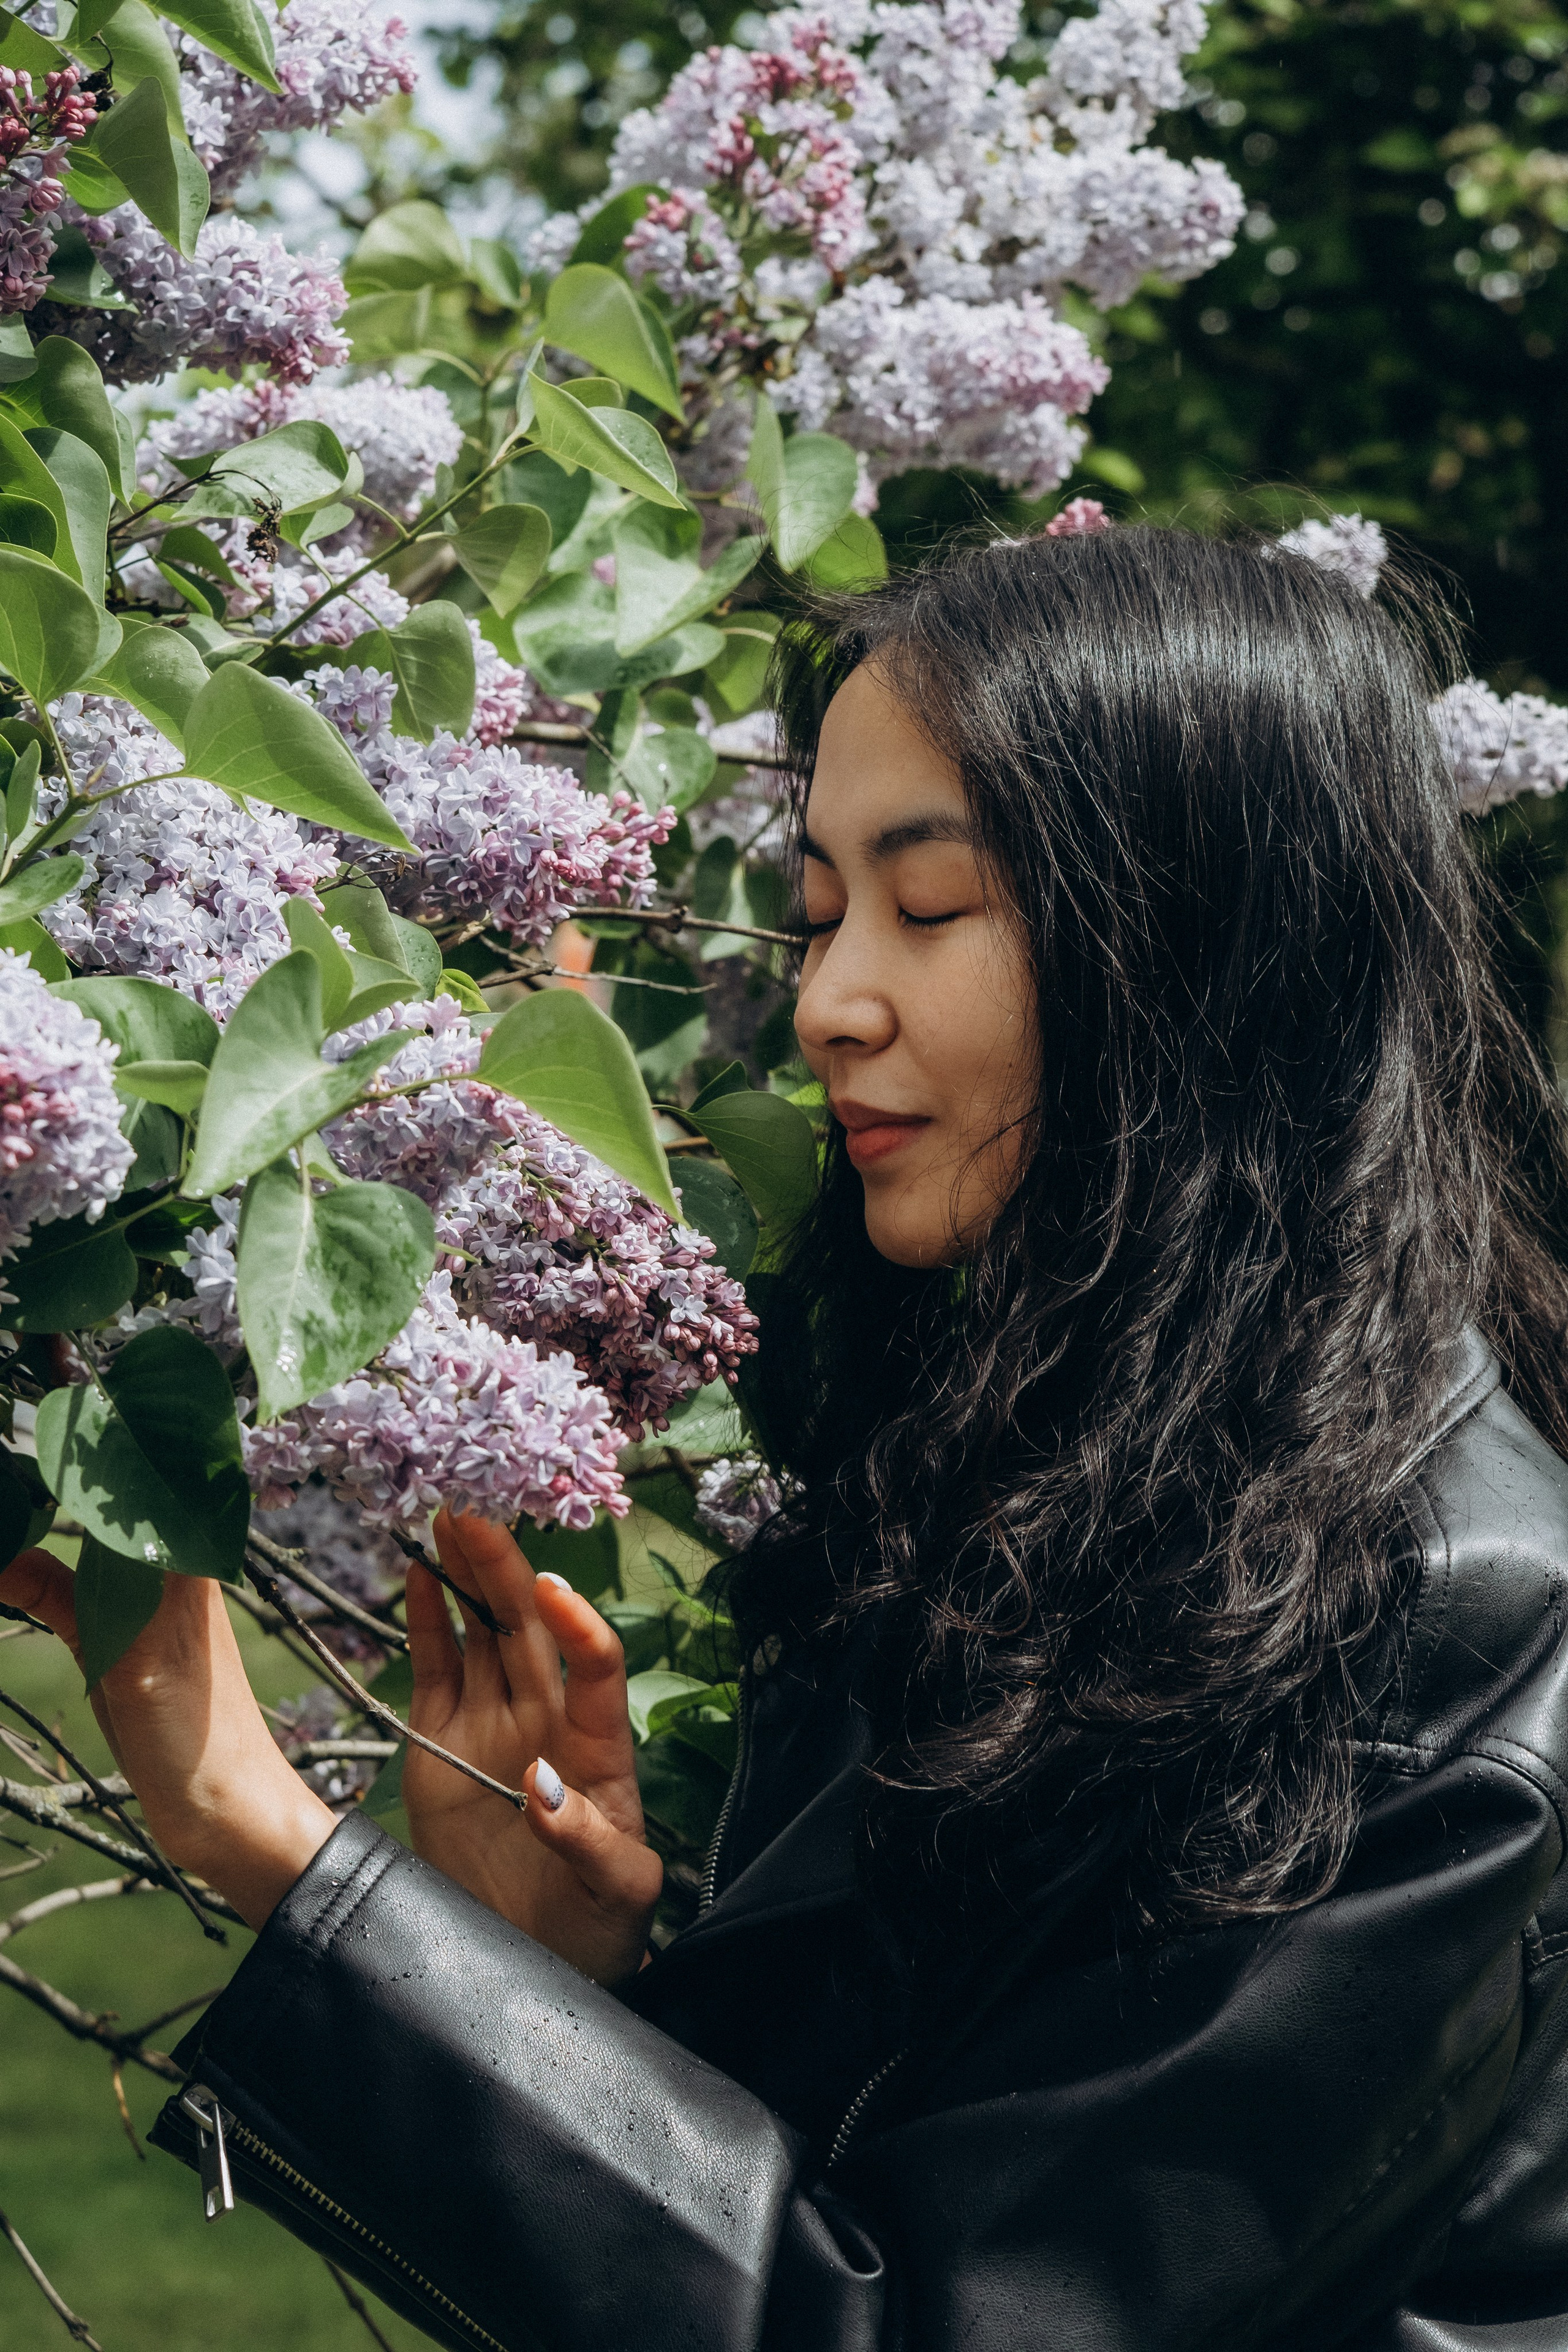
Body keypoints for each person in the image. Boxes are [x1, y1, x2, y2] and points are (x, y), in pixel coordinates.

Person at [9, 525, 1568, 2352]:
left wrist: (273, 1840)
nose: (827, 1004)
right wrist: (562, 1986)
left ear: (1209, 940)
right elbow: (899, 2165)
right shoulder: (1082, 1448)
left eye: (932, 905)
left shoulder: (1445, 1615)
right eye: (825, 910)